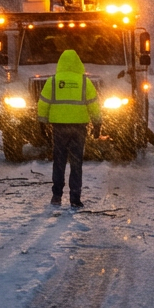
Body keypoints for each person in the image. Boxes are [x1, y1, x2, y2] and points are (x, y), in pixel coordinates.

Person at [36, 49, 101, 208]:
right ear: (78, 63)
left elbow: (43, 103)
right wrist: (97, 123)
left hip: (59, 127)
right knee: (76, 163)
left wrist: (42, 123)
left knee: (59, 161)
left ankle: (56, 196)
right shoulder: (85, 82)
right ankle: (75, 198)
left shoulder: (53, 81)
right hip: (79, 127)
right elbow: (94, 104)